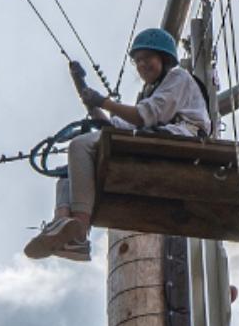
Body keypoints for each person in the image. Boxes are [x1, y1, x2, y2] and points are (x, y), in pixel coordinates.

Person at [24, 28, 212, 262]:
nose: (142, 65)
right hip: (158, 138)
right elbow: (112, 126)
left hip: (180, 138)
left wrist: (103, 101)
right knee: (67, 177)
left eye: (148, 58)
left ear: (163, 59)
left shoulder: (178, 77)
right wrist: (83, 91)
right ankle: (64, 228)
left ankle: (80, 229)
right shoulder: (149, 93)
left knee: (80, 146)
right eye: (138, 61)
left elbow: (144, 116)